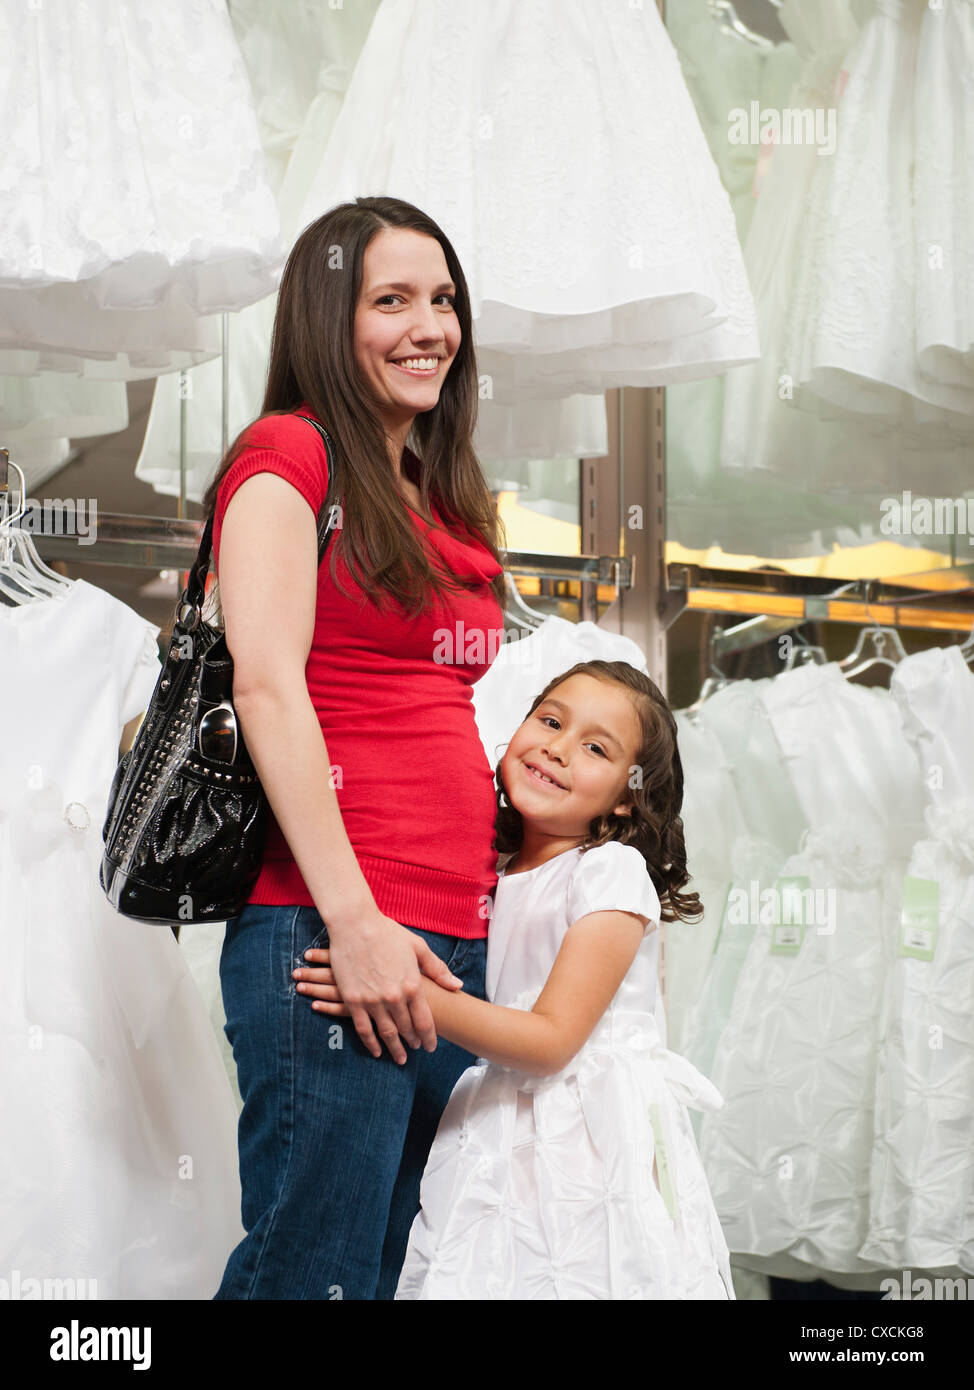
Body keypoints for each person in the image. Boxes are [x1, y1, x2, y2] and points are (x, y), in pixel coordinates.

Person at [204, 195, 508, 1300]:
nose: (428, 326)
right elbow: (269, 687)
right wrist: (355, 920)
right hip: (338, 932)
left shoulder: (438, 490)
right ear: (330, 319)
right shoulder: (289, 453)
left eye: (443, 300)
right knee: (312, 1274)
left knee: (386, 1275)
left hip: (445, 938)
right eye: (391, 300)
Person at [297, 660, 737, 1299]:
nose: (558, 748)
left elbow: (552, 1040)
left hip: (583, 1133)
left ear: (627, 795)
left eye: (593, 748)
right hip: (503, 1119)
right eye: (550, 721)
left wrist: (401, 989)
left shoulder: (609, 871)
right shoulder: (493, 868)